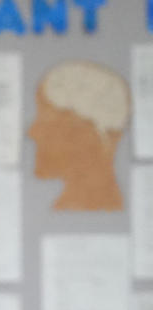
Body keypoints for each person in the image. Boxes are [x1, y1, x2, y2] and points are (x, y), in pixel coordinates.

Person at [28, 59, 130, 211]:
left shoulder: (99, 206)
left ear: (89, 136)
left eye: (47, 121)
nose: (32, 132)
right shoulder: (62, 208)